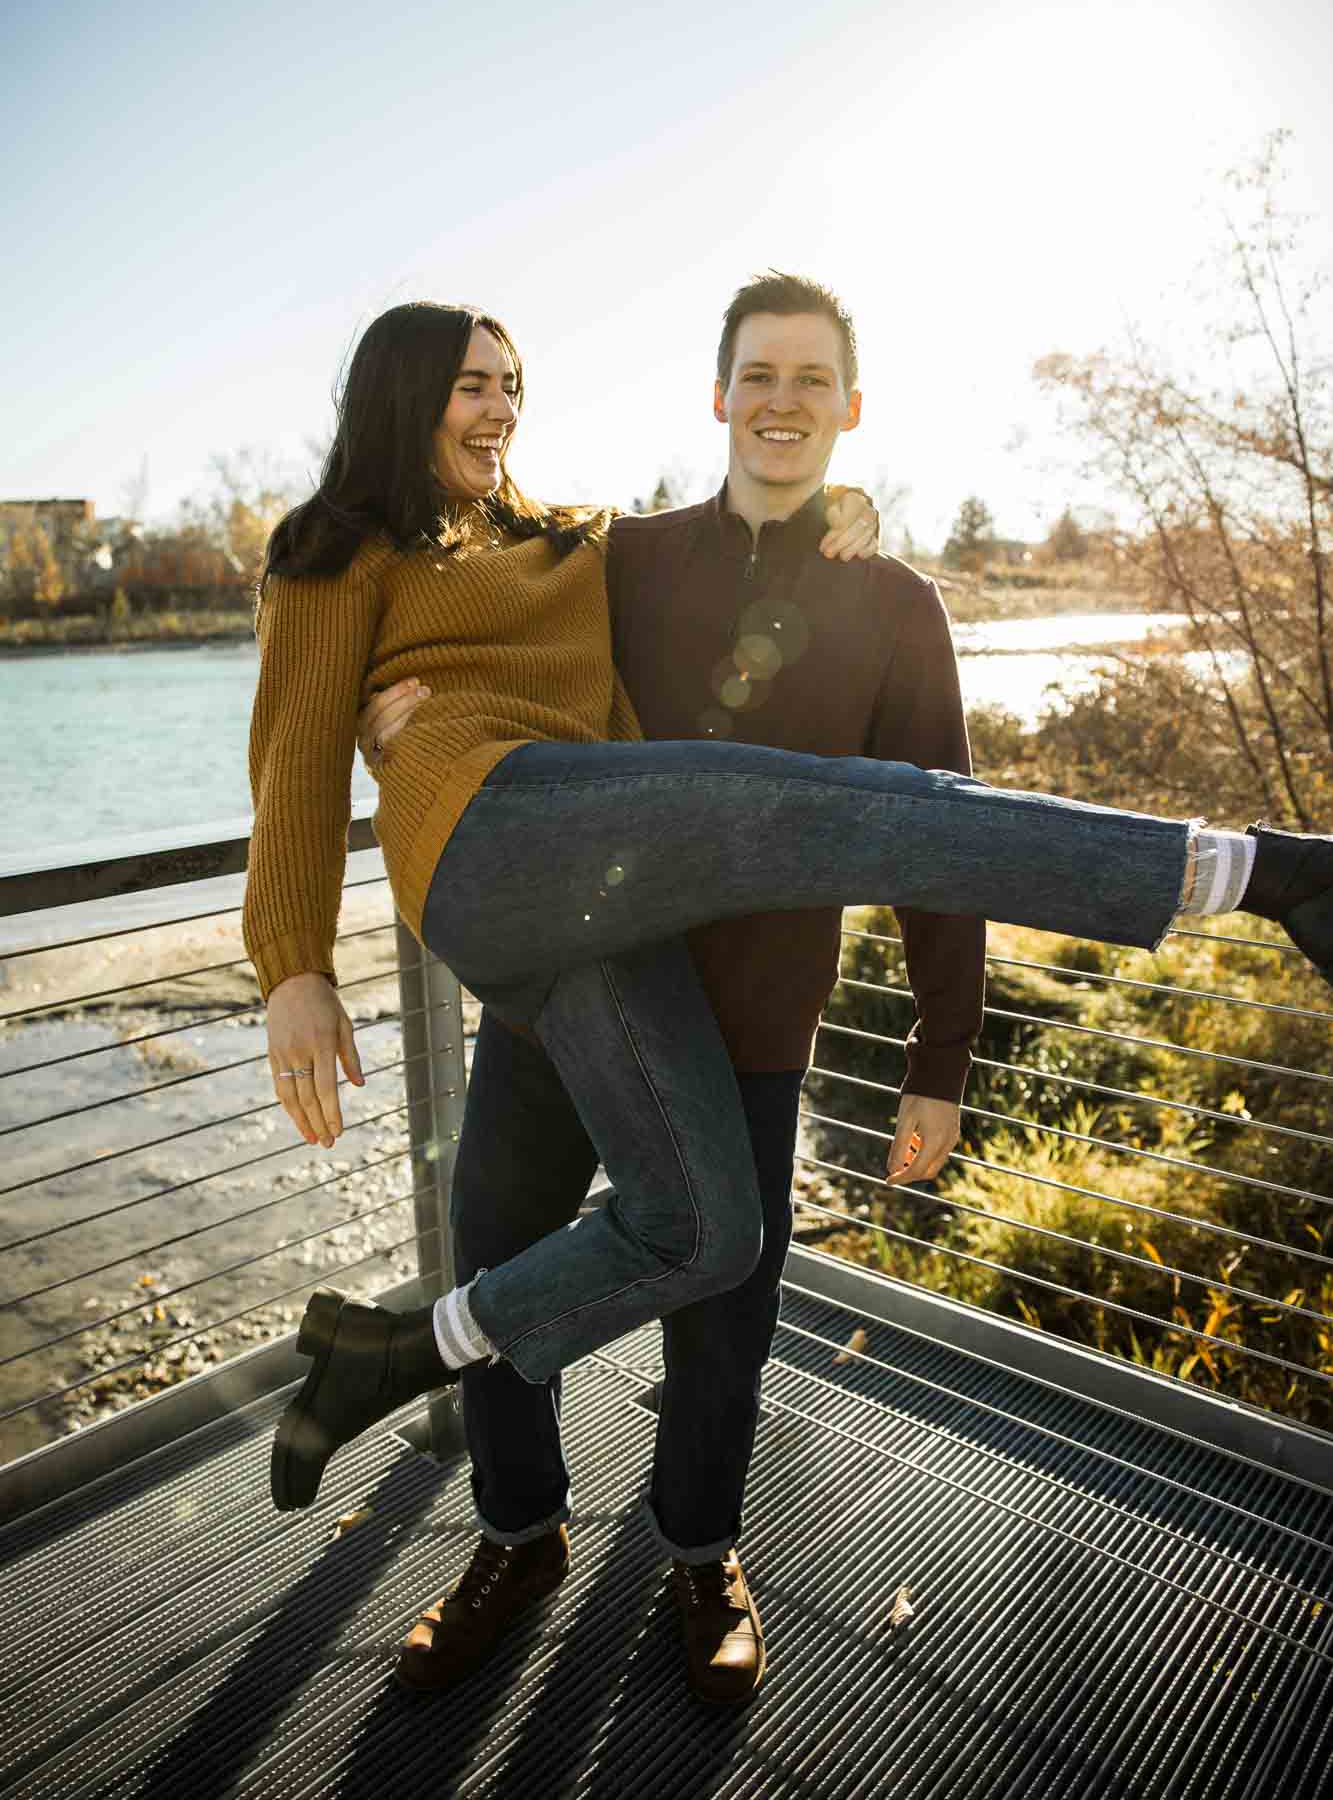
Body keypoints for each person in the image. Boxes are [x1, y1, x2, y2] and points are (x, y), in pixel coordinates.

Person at [245, 297, 1332, 1693]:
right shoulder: (334, 552)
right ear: (400, 396)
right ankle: (1256, 870)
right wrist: (293, 970)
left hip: (613, 915)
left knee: (710, 1232)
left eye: (511, 384)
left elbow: (754, 506)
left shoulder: (578, 541)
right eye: (468, 387)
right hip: (493, 839)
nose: (498, 408)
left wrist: (843, 508)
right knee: (819, 811)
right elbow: (291, 770)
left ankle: (398, 1354)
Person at [353, 271, 984, 1704]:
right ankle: (517, 1537)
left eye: (809, 380)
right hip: (568, 998)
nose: (780, 402)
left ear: (850, 407)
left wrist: (940, 1053)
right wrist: (401, 721)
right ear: (716, 394)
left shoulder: (894, 607)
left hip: (756, 1020)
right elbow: (458, 620)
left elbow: (938, 835)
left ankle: (701, 1555)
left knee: (725, 1318)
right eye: (757, 375)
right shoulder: (612, 560)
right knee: (493, 1262)